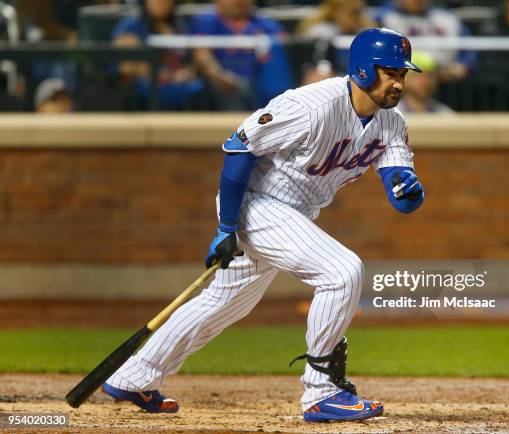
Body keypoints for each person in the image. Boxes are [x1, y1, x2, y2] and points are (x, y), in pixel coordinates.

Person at [101, 27, 425, 423]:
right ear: (361, 70)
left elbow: (401, 192)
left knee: (223, 304)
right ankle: (322, 391)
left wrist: (408, 190)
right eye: (389, 72)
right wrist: (227, 226)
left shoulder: (391, 122)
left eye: (402, 74)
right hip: (257, 205)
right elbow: (239, 146)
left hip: (294, 214)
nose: (398, 82)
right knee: (342, 272)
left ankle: (134, 376)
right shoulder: (312, 105)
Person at [190, 0, 294, 110]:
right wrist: (219, 76)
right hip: (221, 86)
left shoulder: (266, 24)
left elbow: (283, 56)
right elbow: (202, 55)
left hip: (258, 85)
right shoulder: (207, 21)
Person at [113, 0, 204, 110]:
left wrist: (188, 72)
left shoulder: (180, 25)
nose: (161, 2)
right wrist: (167, 76)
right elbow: (126, 68)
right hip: (146, 87)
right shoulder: (131, 26)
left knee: (200, 88)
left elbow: (192, 58)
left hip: (182, 85)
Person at [375, 0, 476, 82]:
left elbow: (470, 49)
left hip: (444, 79)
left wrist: (463, 66)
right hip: (399, 77)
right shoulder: (383, 18)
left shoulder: (447, 19)